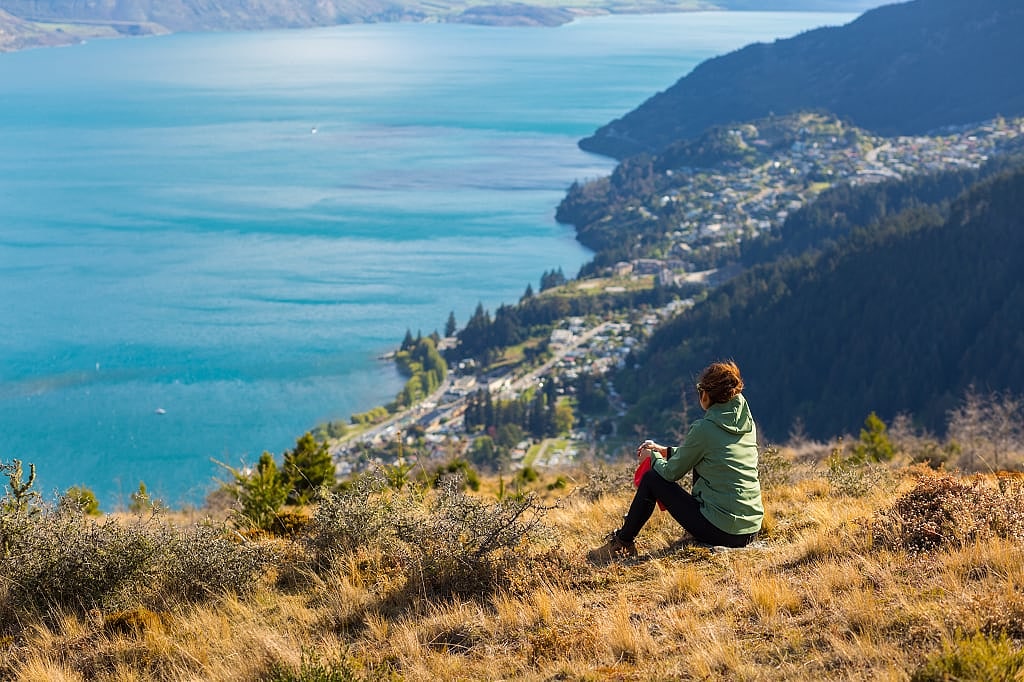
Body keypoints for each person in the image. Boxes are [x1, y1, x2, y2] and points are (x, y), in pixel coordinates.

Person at [588, 360, 763, 563]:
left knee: (652, 479)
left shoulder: (704, 429)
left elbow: (671, 473)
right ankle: (625, 542)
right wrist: (665, 451)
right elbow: (713, 454)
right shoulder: (746, 422)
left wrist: (651, 457)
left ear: (705, 394)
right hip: (751, 528)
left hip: (723, 532)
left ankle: (622, 543)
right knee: (665, 473)